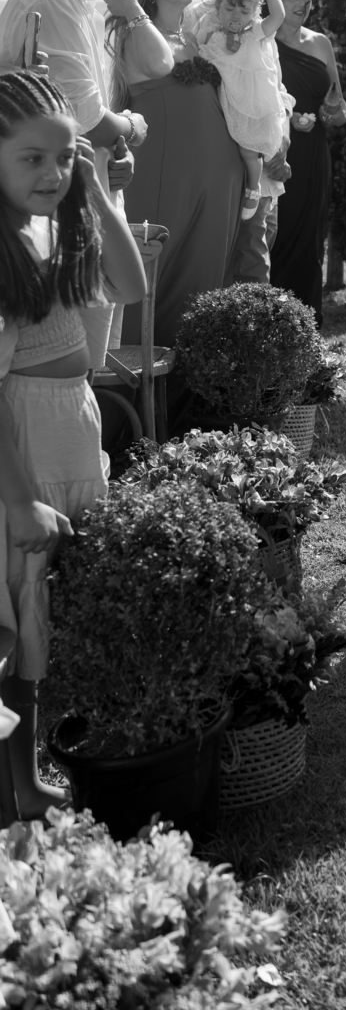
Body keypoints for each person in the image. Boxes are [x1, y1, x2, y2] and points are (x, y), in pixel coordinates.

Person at [0, 71, 145, 815]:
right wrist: (21, 498)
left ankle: (22, 787)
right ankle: (17, 789)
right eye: (31, 158)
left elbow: (130, 285)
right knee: (13, 632)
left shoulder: (52, 226)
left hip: (67, 427)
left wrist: (91, 190)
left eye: (63, 157)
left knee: (38, 630)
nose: (51, 173)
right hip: (21, 448)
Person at [0, 0, 148, 367]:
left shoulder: (69, 0)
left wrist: (116, 153)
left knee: (86, 371)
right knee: (70, 372)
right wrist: (133, 127)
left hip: (83, 198)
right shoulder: (52, 2)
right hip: (59, 219)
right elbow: (88, 118)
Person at [106, 0, 244, 344]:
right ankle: (134, 383)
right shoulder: (128, 29)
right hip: (165, 171)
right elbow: (159, 65)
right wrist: (134, 12)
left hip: (219, 177)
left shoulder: (198, 35)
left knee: (204, 283)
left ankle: (191, 393)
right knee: (152, 274)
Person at [187, 0, 290, 285]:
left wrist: (283, 140)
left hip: (267, 146)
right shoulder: (201, 17)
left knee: (263, 243)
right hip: (227, 150)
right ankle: (245, 333)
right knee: (244, 254)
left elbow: (274, 85)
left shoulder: (256, 20)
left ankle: (251, 327)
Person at [270, 0, 346, 323]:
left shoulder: (320, 43)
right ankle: (274, 334)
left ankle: (308, 336)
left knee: (310, 247)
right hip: (276, 155)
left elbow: (338, 106)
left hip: (315, 155)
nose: (303, 3)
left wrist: (333, 113)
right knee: (277, 242)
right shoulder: (263, 42)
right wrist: (288, 120)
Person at [193, 0, 290, 221]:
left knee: (249, 151)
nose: (236, 15)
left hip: (250, 103)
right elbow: (193, 49)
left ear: (255, 11)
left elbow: (279, 15)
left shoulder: (254, 32)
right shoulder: (211, 29)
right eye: (229, 9)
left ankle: (253, 188)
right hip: (222, 101)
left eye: (245, 11)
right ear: (218, 6)